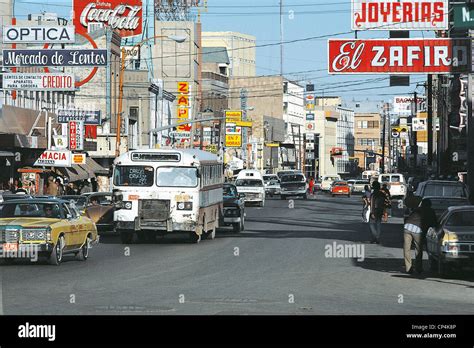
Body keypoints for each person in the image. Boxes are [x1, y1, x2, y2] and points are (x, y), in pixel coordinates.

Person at [403, 199, 438, 274]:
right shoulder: (430, 211)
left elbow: (409, 217)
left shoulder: (417, 209)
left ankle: (408, 268)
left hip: (407, 227)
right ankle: (418, 268)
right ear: (430, 205)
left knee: (407, 248)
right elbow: (434, 223)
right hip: (417, 229)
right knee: (418, 249)